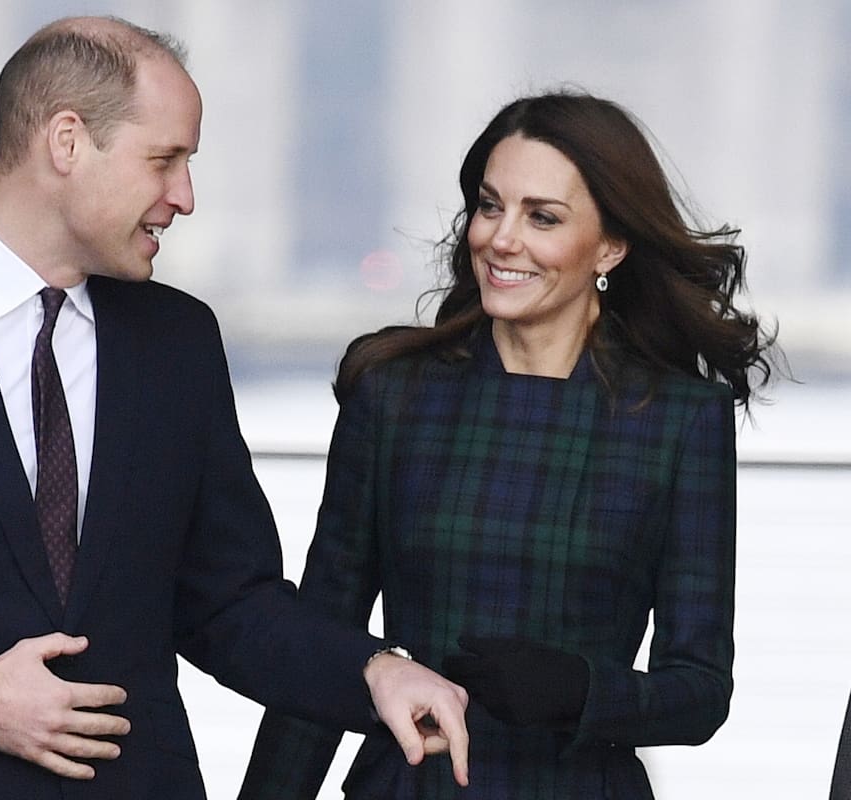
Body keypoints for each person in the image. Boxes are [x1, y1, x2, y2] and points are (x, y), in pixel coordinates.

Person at [0, 16, 470, 800]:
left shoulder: (180, 342)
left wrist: (372, 673)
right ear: (67, 143)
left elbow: (229, 603)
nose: (185, 197)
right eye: (165, 160)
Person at [240, 91, 776, 798]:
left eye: (542, 217)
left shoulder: (679, 420)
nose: (501, 238)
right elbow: (320, 648)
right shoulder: (395, 396)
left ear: (610, 246)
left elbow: (701, 691)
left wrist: (582, 692)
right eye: (491, 207)